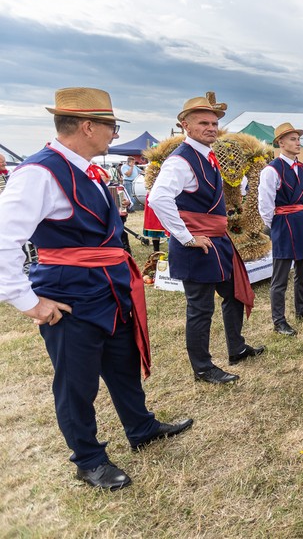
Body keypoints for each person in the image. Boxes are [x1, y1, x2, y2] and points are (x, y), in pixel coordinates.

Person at [0, 88, 192, 490]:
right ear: (88, 127)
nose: (113, 134)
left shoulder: (87, 169)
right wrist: (28, 301)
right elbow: (4, 239)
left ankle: (141, 428)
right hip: (70, 292)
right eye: (112, 127)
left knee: (123, 364)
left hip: (109, 287)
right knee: (77, 382)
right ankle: (88, 460)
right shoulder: (39, 172)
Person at [149, 94, 262, 384]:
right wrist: (186, 237)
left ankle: (236, 348)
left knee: (234, 294)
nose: (211, 128)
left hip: (218, 240)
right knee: (200, 308)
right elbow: (158, 199)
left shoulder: (206, 155)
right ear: (185, 125)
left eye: (214, 123)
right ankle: (202, 367)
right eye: (203, 123)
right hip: (197, 246)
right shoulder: (180, 161)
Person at [258, 122, 303, 335]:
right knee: (280, 276)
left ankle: (301, 309)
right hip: (283, 222)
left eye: (298, 139)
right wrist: (276, 226)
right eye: (293, 139)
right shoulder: (271, 170)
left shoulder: (302, 168)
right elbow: (265, 205)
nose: (298, 143)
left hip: (302, 221)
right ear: (281, 143)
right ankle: (279, 320)